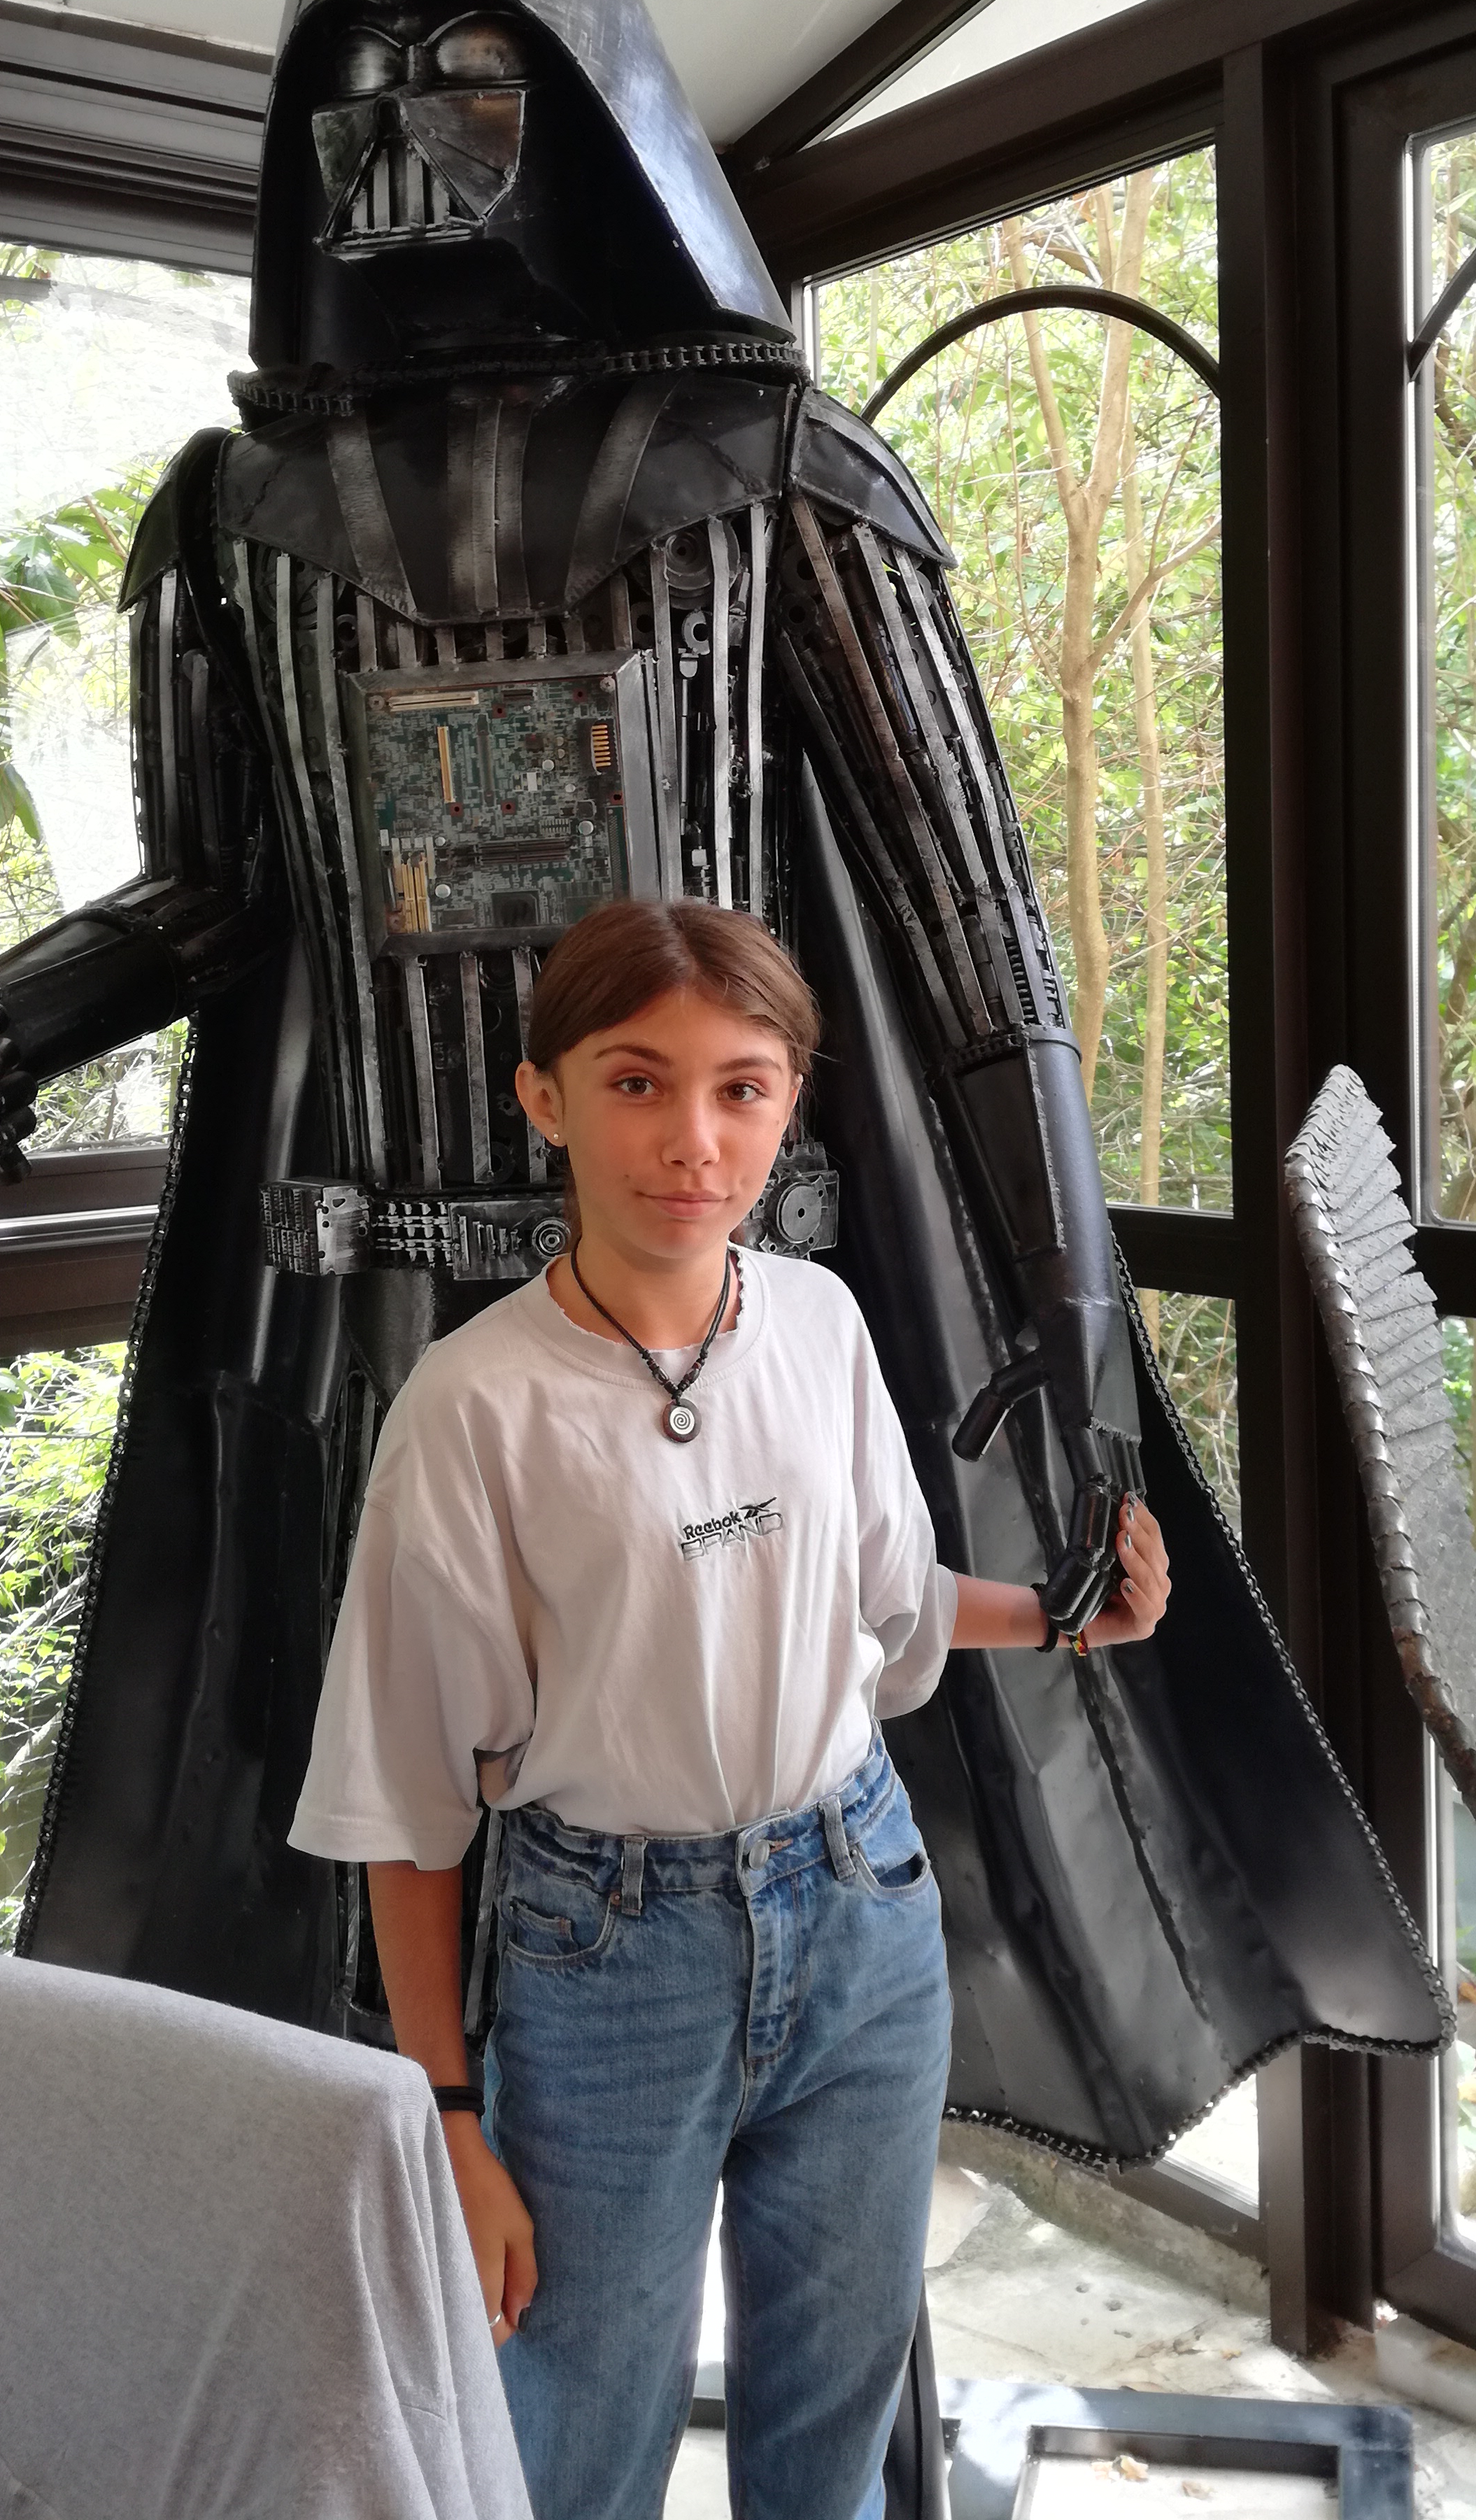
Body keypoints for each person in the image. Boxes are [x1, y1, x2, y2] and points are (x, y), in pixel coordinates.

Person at [290, 897, 1170, 2520]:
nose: (693, 1139)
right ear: (545, 1097)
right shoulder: (474, 1410)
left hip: (863, 1909)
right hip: (609, 1958)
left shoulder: (819, 1324)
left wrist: (1066, 1616)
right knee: (579, 2438)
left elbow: (882, 1600)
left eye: (741, 1087)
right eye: (638, 1082)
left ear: (787, 1104)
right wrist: (453, 2122)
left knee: (833, 2430)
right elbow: (405, 1806)